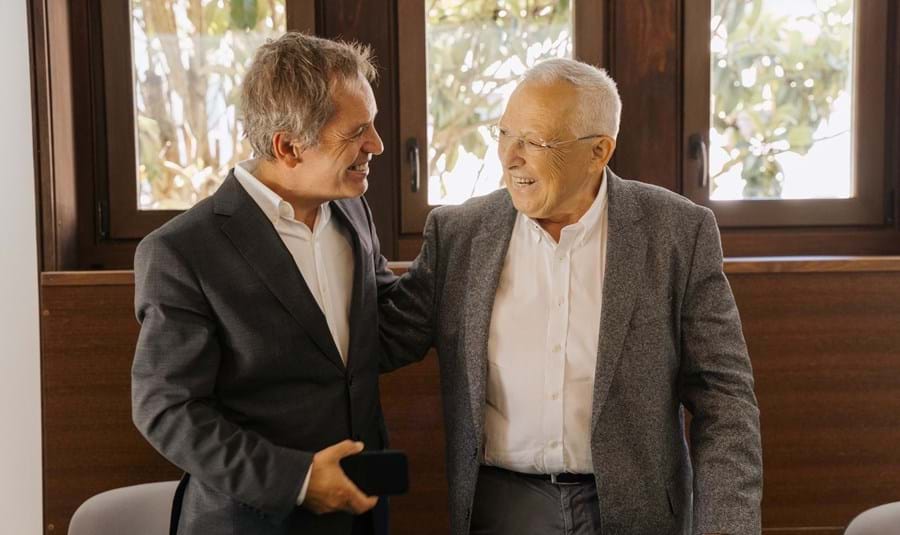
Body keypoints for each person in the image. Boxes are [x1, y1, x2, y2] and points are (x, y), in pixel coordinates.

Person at [379, 58, 762, 535]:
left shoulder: (678, 232)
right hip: (498, 508)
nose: (510, 156)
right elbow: (382, 336)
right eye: (504, 134)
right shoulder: (458, 234)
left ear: (599, 151)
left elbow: (724, 400)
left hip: (635, 512)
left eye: (535, 141)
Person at [132, 32, 397, 535]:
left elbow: (381, 326)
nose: (377, 145)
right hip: (248, 522)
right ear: (289, 146)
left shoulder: (353, 209)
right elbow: (167, 409)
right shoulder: (181, 252)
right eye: (357, 131)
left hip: (360, 513)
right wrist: (297, 480)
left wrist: (468, 249)